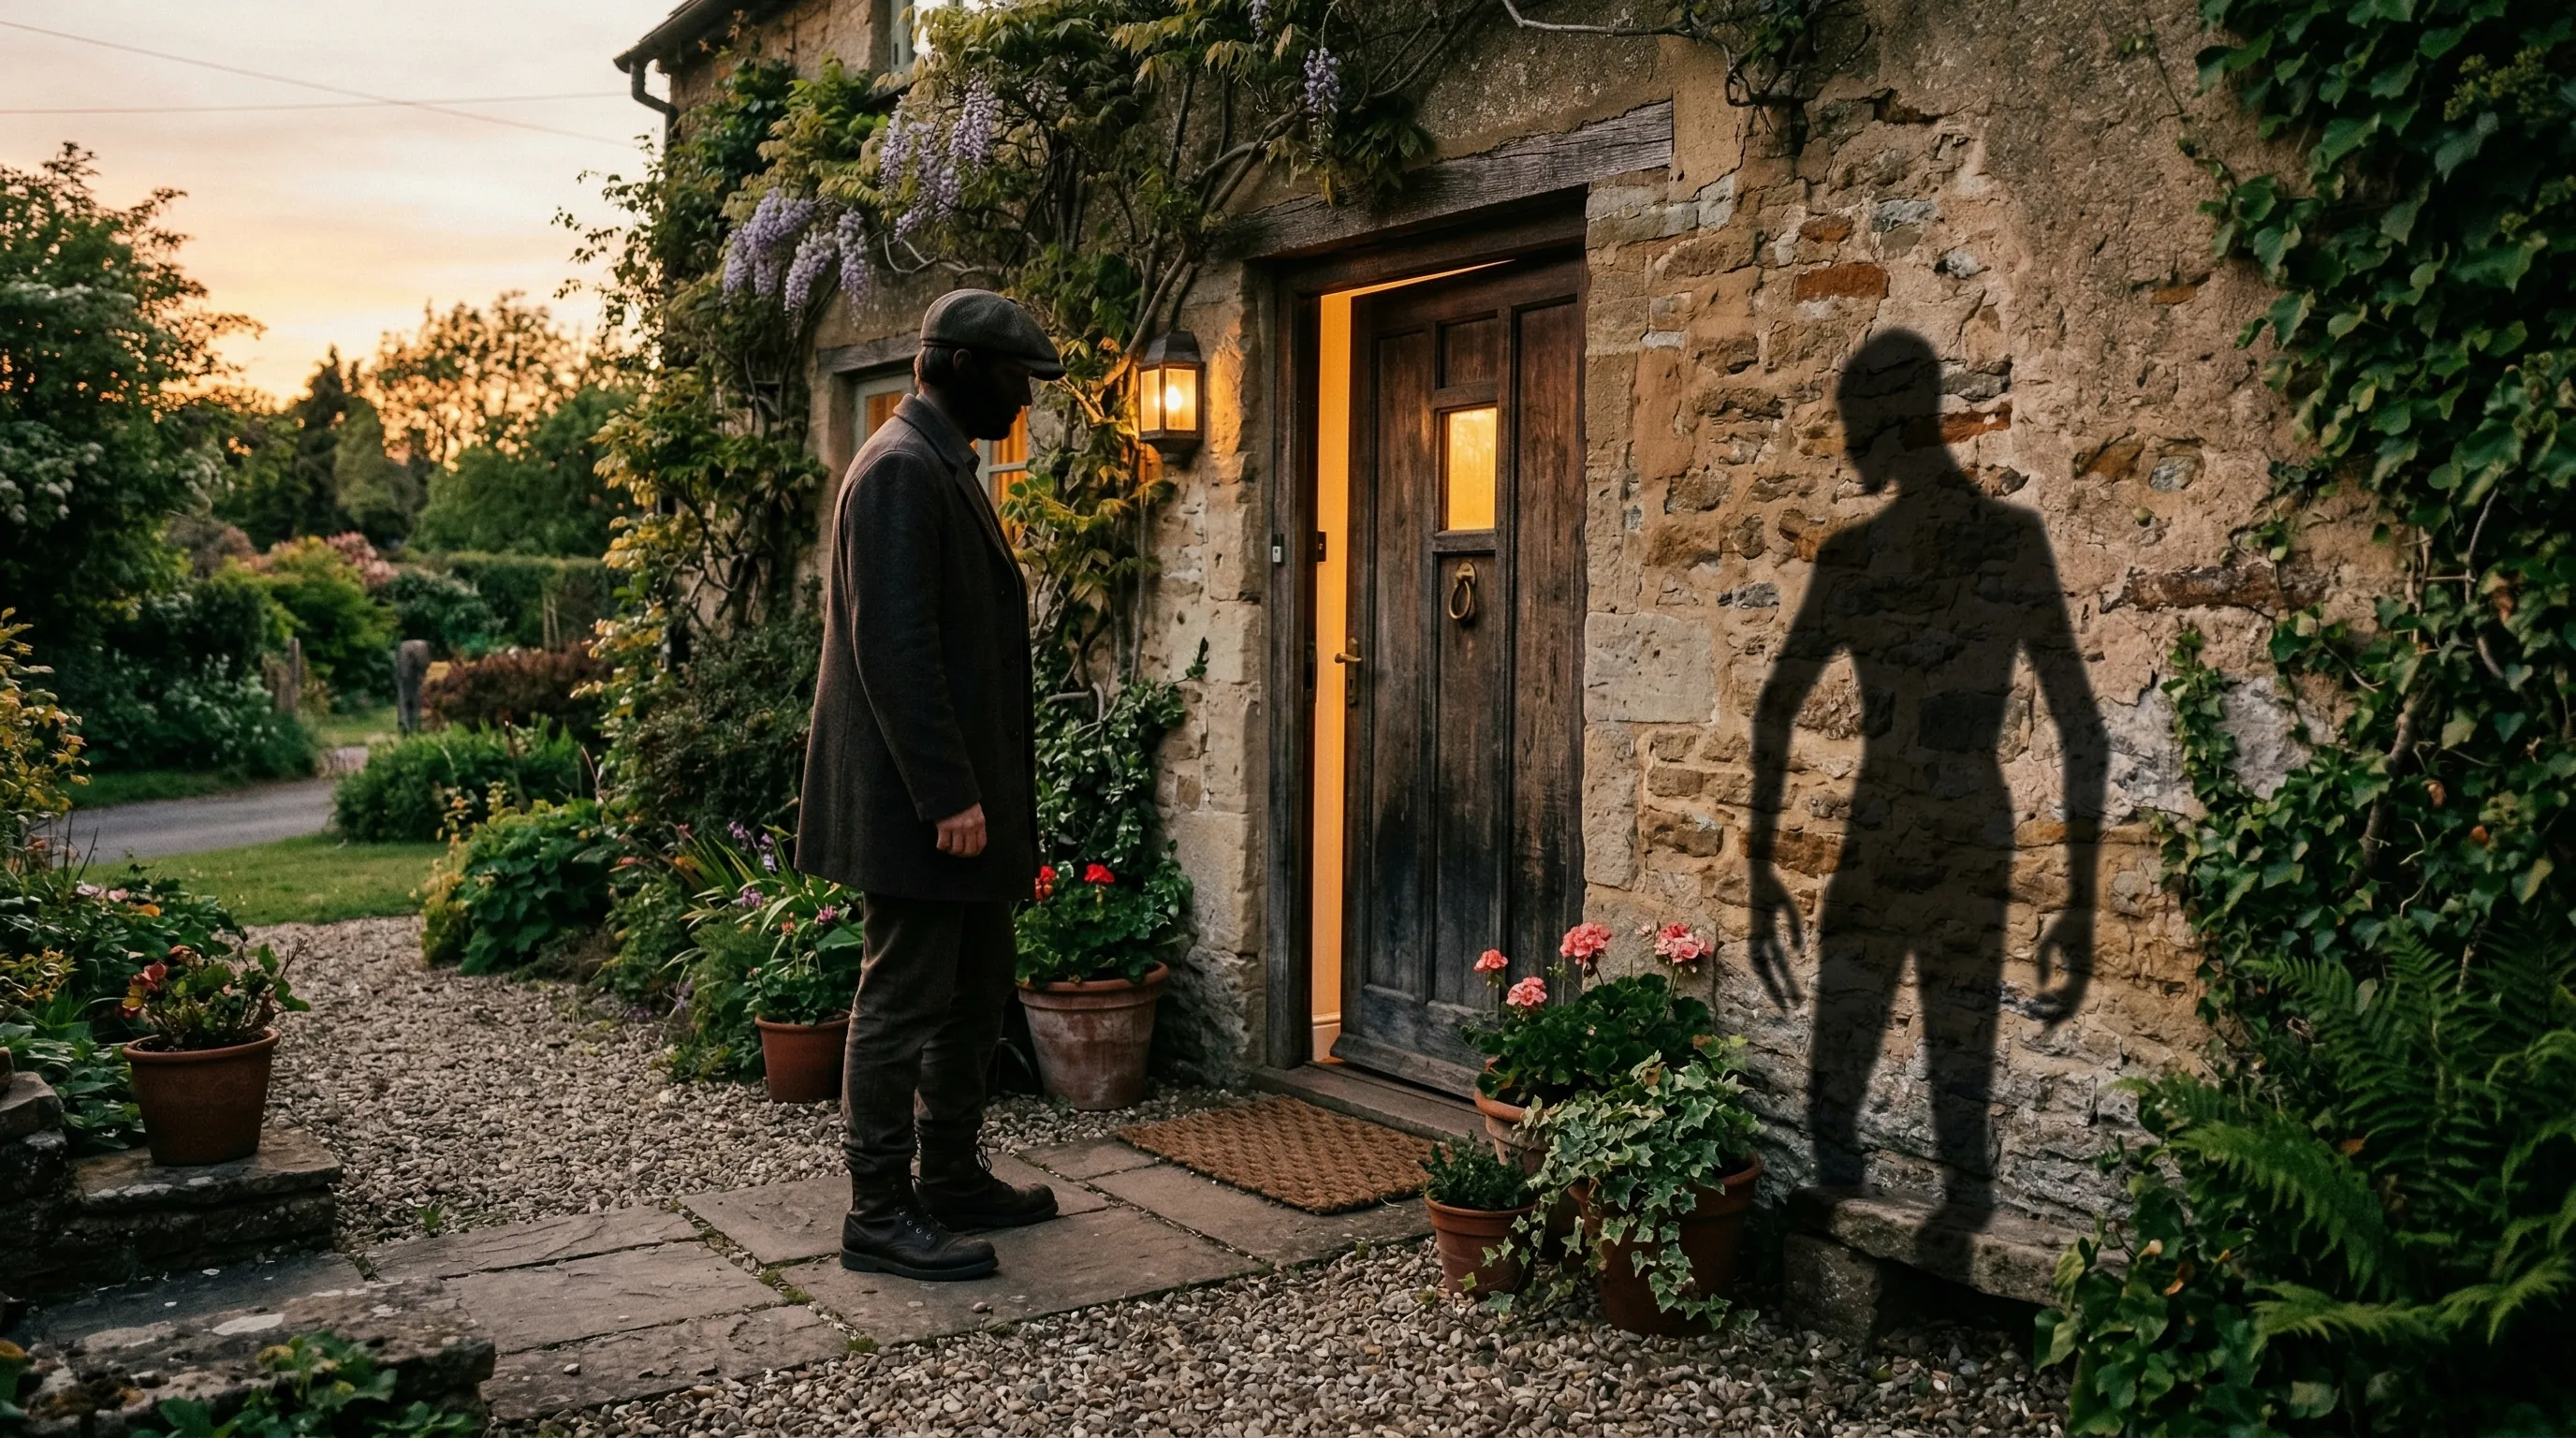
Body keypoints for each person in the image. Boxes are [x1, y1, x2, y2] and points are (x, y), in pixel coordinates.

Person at [1745, 329, 2106, 1231]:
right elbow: (2081, 728)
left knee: (1864, 1046)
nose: (1851, 448)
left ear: (1887, 423)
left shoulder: (1857, 558)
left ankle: (1906, 1223)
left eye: (1855, 428)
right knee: (1952, 1045)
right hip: (1959, 815)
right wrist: (2081, 900)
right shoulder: (2005, 542)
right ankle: (1945, 1216)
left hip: (1894, 812)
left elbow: (1776, 710)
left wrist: (1760, 872)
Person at [797, 289, 1065, 1282]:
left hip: (964, 803)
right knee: (904, 995)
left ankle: (950, 1174)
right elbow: (894, 648)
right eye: (1011, 379)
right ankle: (877, 1209)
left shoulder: (941, 461)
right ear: (954, 365)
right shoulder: (902, 469)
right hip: (923, 804)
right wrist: (949, 794)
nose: (1021, 400)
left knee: (978, 987)